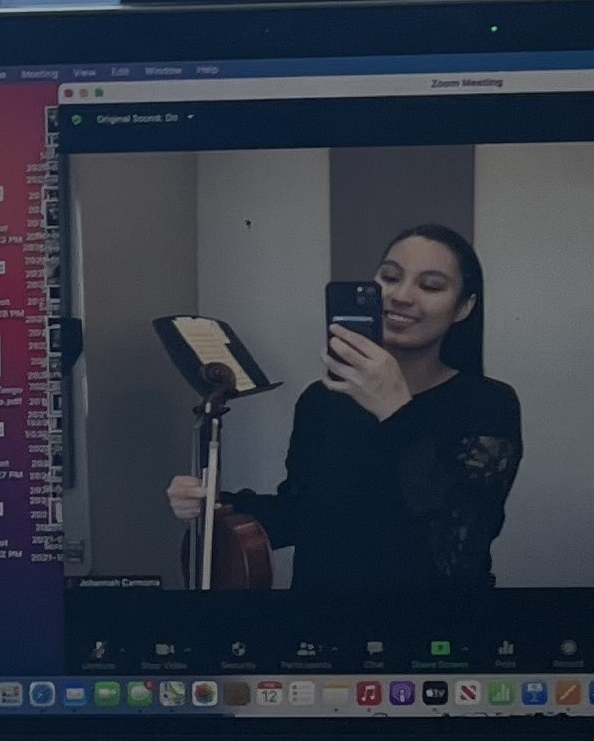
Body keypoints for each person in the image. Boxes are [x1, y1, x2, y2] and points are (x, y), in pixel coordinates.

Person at [165, 223, 522, 589]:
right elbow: (307, 514)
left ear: (464, 307)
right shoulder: (322, 399)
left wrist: (396, 409)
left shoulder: (489, 403)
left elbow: (458, 545)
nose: (400, 296)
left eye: (429, 286)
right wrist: (213, 505)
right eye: (389, 277)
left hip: (432, 626)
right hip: (323, 619)